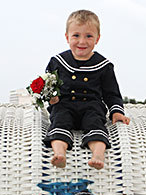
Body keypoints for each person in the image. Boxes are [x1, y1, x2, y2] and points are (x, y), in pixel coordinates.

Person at [43, 9, 130, 170]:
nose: (82, 41)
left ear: (97, 38)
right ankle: (60, 154)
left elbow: (112, 93)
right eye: (76, 35)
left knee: (96, 124)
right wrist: (51, 98)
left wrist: (117, 112)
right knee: (59, 122)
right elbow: (49, 86)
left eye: (88, 36)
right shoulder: (58, 61)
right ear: (67, 37)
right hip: (64, 105)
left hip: (91, 106)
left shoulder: (104, 65)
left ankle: (97, 155)